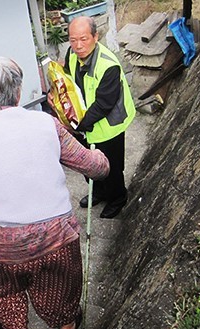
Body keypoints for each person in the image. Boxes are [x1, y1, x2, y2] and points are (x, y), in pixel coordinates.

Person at [0, 57, 109, 329]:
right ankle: (67, 327)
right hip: (57, 236)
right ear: (19, 93)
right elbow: (95, 167)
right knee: (62, 286)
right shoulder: (48, 125)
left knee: (2, 290)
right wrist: (102, 159)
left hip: (2, 244)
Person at [62, 16, 136, 218]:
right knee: (88, 164)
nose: (78, 45)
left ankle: (117, 198)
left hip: (108, 126)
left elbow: (104, 104)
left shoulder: (108, 65)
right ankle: (99, 193)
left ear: (95, 37)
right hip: (83, 123)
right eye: (73, 39)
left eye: (84, 39)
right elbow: (68, 81)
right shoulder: (71, 54)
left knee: (111, 168)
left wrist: (78, 124)